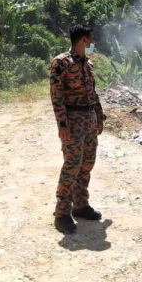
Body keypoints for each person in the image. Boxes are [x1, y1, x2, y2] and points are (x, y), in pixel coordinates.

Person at [49, 24, 106, 234]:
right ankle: (62, 213)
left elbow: (93, 92)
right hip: (73, 121)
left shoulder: (87, 64)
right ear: (83, 40)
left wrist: (99, 116)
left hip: (89, 119)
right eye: (91, 40)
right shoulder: (61, 62)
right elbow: (57, 96)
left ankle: (80, 205)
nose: (93, 44)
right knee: (72, 165)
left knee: (87, 164)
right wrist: (62, 124)